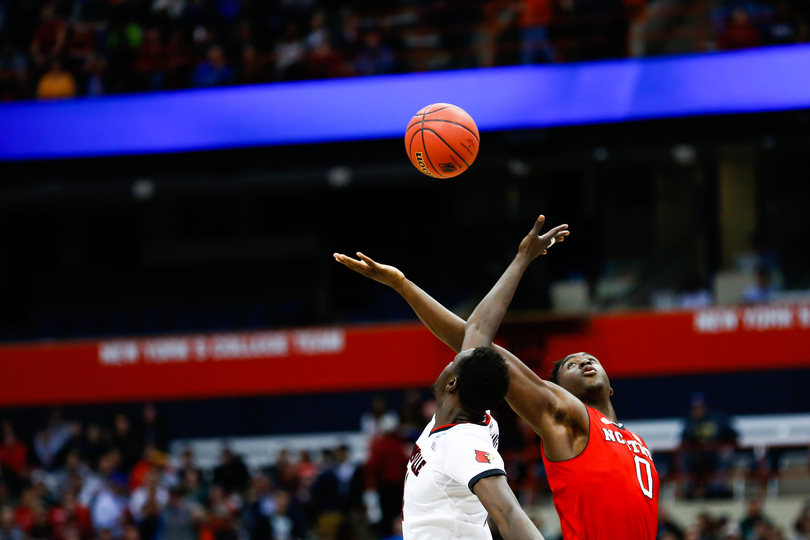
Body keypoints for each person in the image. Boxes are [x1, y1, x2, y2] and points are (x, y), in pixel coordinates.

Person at [335, 214, 660, 539]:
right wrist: (520, 259)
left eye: (590, 358)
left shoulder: (635, 441)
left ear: (613, 388)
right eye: (571, 365)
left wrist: (400, 285)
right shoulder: (564, 416)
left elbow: (473, 342)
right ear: (555, 390)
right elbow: (472, 338)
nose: (585, 361)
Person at [339, 251, 546, 540]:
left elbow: (510, 515)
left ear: (452, 384)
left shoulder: (463, 443)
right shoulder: (464, 413)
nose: (450, 359)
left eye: (453, 362)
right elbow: (478, 326)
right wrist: (400, 283)